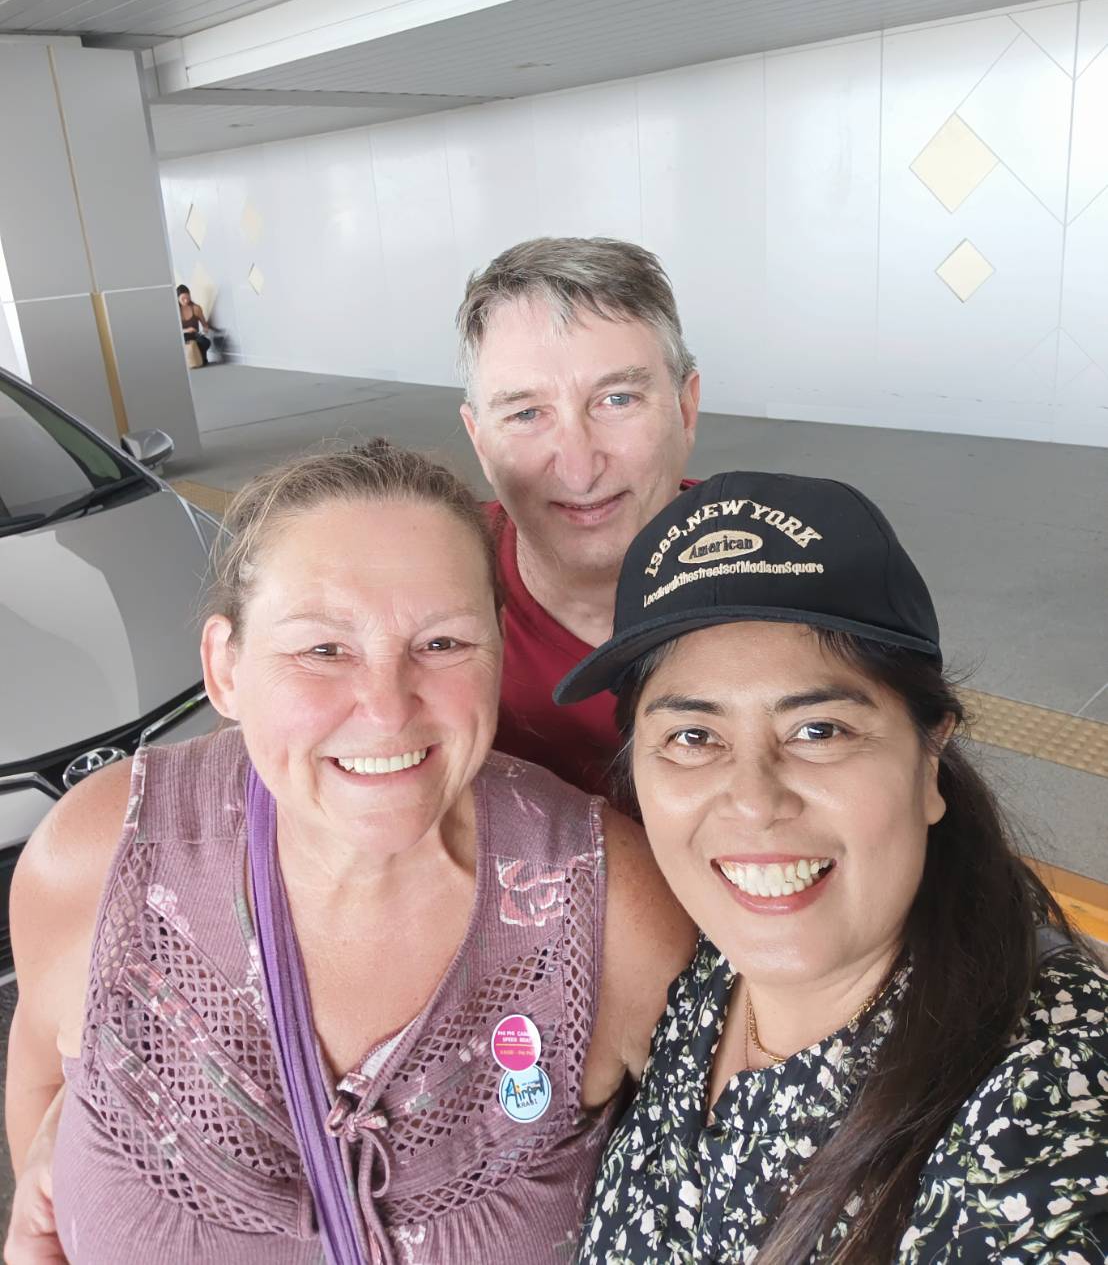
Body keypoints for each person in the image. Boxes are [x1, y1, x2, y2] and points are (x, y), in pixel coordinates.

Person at [5, 443, 694, 1265]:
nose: (387, 707)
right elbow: (44, 1082)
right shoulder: (96, 859)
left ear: (498, 649)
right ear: (225, 668)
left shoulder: (612, 906)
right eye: (324, 649)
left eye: (441, 643)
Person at [555, 471, 1108, 1263]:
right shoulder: (706, 964)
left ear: (929, 757)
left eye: (819, 730)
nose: (754, 802)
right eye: (693, 737)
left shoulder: (1042, 1109)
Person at [457, 237, 699, 797]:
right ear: (480, 442)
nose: (579, 467)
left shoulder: (796, 573)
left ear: (685, 410)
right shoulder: (426, 584)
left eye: (617, 400)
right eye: (526, 414)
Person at [177, 282, 214, 364]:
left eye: (188, 297)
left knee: (205, 342)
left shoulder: (196, 308)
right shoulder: (176, 311)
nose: (186, 300)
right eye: (183, 298)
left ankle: (201, 360)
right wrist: (186, 330)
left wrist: (205, 329)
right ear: (177, 298)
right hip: (183, 337)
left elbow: (204, 325)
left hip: (195, 336)